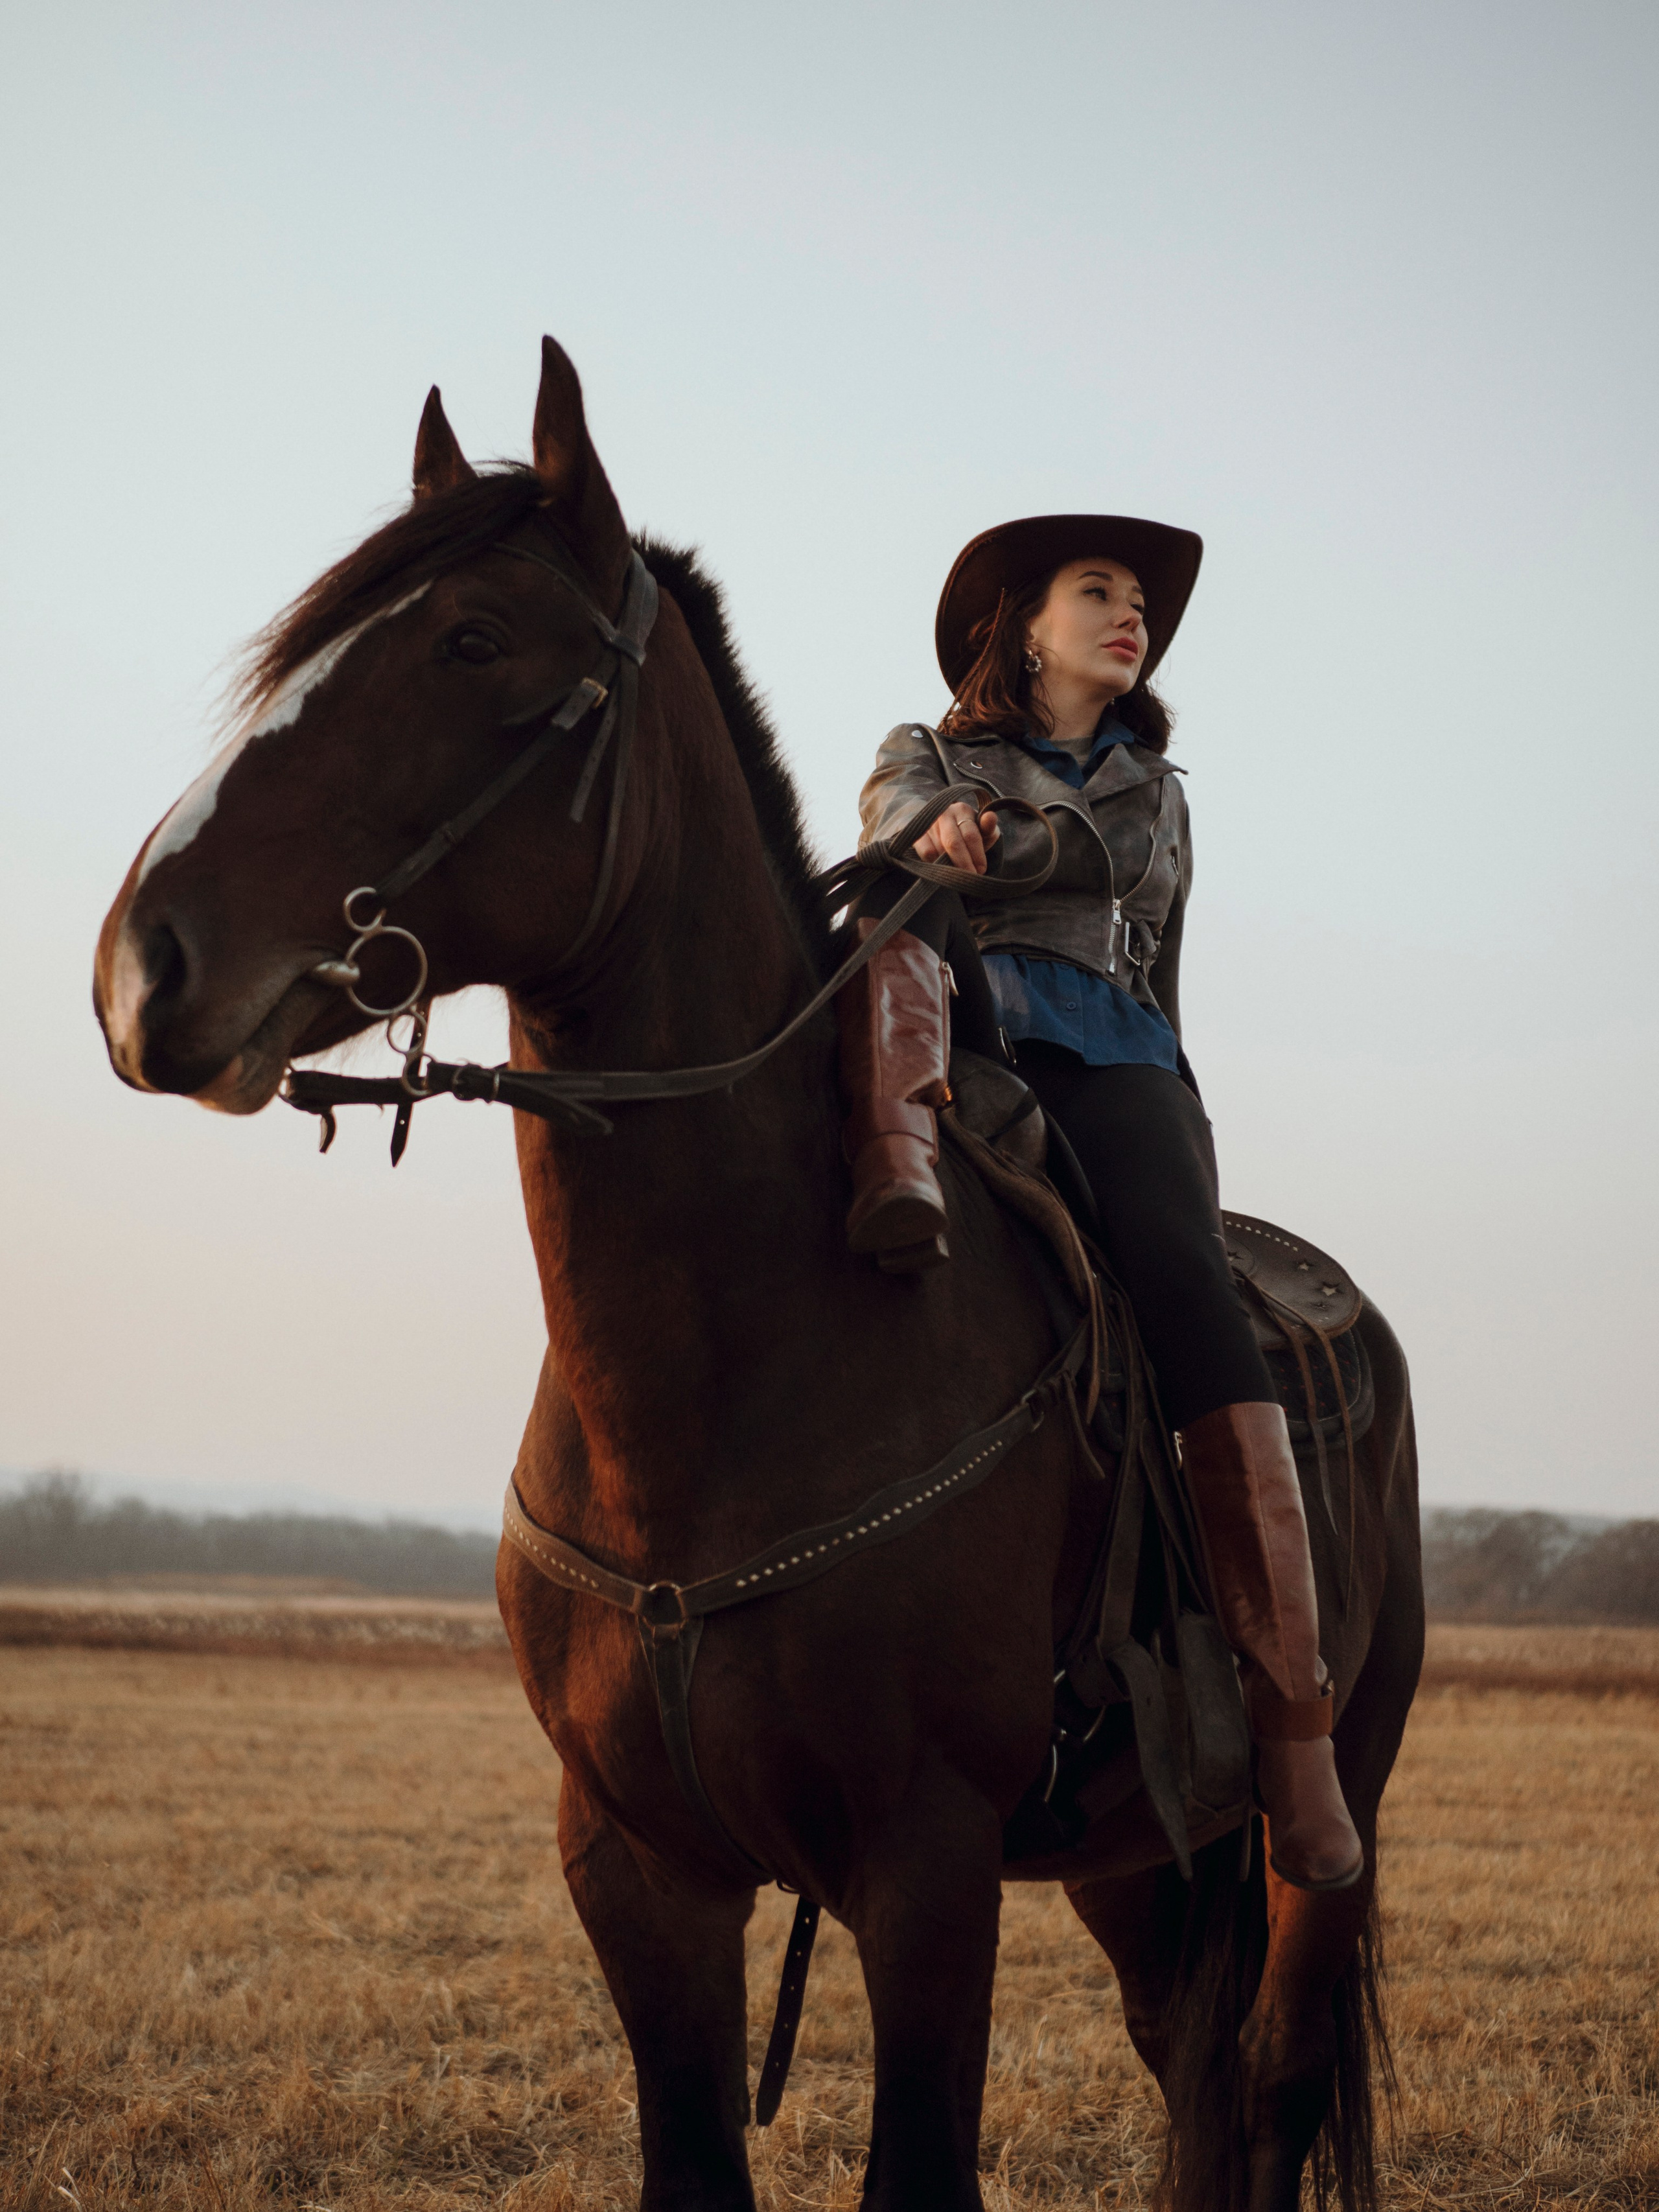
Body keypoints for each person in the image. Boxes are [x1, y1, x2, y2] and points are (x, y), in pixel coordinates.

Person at [836, 513, 1363, 1892]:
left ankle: (1293, 1729)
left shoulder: (1146, 784)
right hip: (943, 1039)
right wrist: (924, 825)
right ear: (1020, 624)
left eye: (1137, 600)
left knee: (1191, 1296)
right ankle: (893, 1173)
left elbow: (1094, 861)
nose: (1129, 615)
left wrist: (975, 835)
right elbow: (885, 827)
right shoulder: (920, 747)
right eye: (1097, 592)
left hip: (1099, 1052)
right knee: (885, 930)